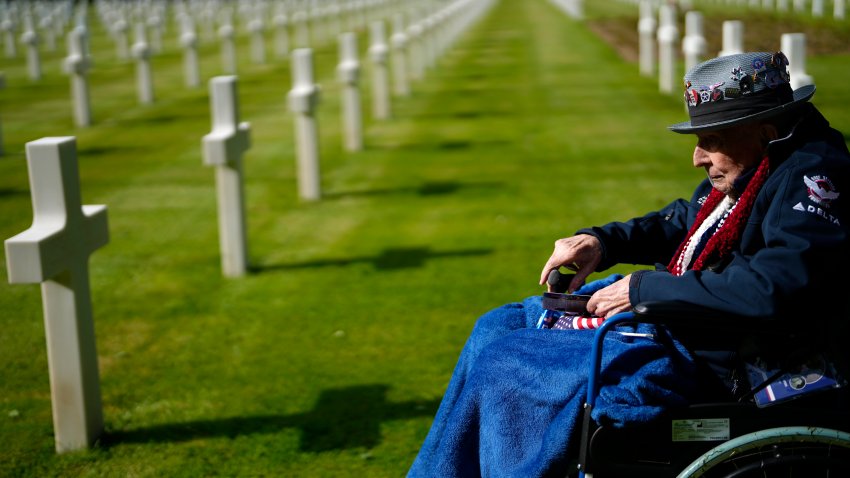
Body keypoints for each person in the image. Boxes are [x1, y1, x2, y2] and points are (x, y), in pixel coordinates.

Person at [408, 52, 850, 477]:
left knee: (506, 362)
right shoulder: (759, 164)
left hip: (726, 358)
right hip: (687, 321)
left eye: (711, 141)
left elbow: (778, 284)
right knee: (497, 325)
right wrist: (601, 242)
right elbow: (689, 219)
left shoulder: (812, 178)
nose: (698, 157)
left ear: (766, 131)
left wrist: (640, 291)